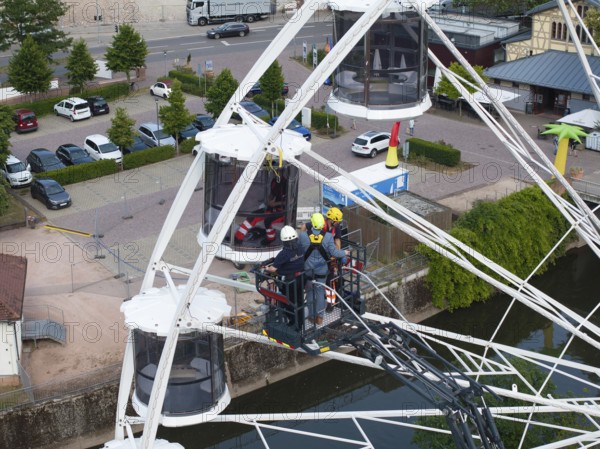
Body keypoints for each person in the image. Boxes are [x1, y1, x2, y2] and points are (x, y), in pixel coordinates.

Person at [299, 213, 349, 326]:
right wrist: (344, 253)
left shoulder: (303, 236)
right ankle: (320, 317)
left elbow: (299, 250)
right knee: (320, 292)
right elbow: (334, 253)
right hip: (322, 270)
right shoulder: (328, 237)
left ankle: (311, 316)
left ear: (312, 223)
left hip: (308, 270)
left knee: (310, 292)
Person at [263, 226, 305, 327]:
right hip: (301, 278)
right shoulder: (301, 248)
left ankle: (293, 321)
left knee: (288, 302)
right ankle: (300, 321)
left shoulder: (283, 254)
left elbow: (273, 269)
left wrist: (266, 268)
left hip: (289, 281)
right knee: (299, 301)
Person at [235, 170, 287, 246]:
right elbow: (272, 194)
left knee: (268, 220)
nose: (274, 173)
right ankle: (238, 238)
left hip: (283, 212)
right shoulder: (274, 181)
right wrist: (270, 200)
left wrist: (275, 204)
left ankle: (271, 238)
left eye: (276, 172)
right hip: (273, 208)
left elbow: (289, 202)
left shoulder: (286, 184)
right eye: (274, 172)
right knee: (253, 216)